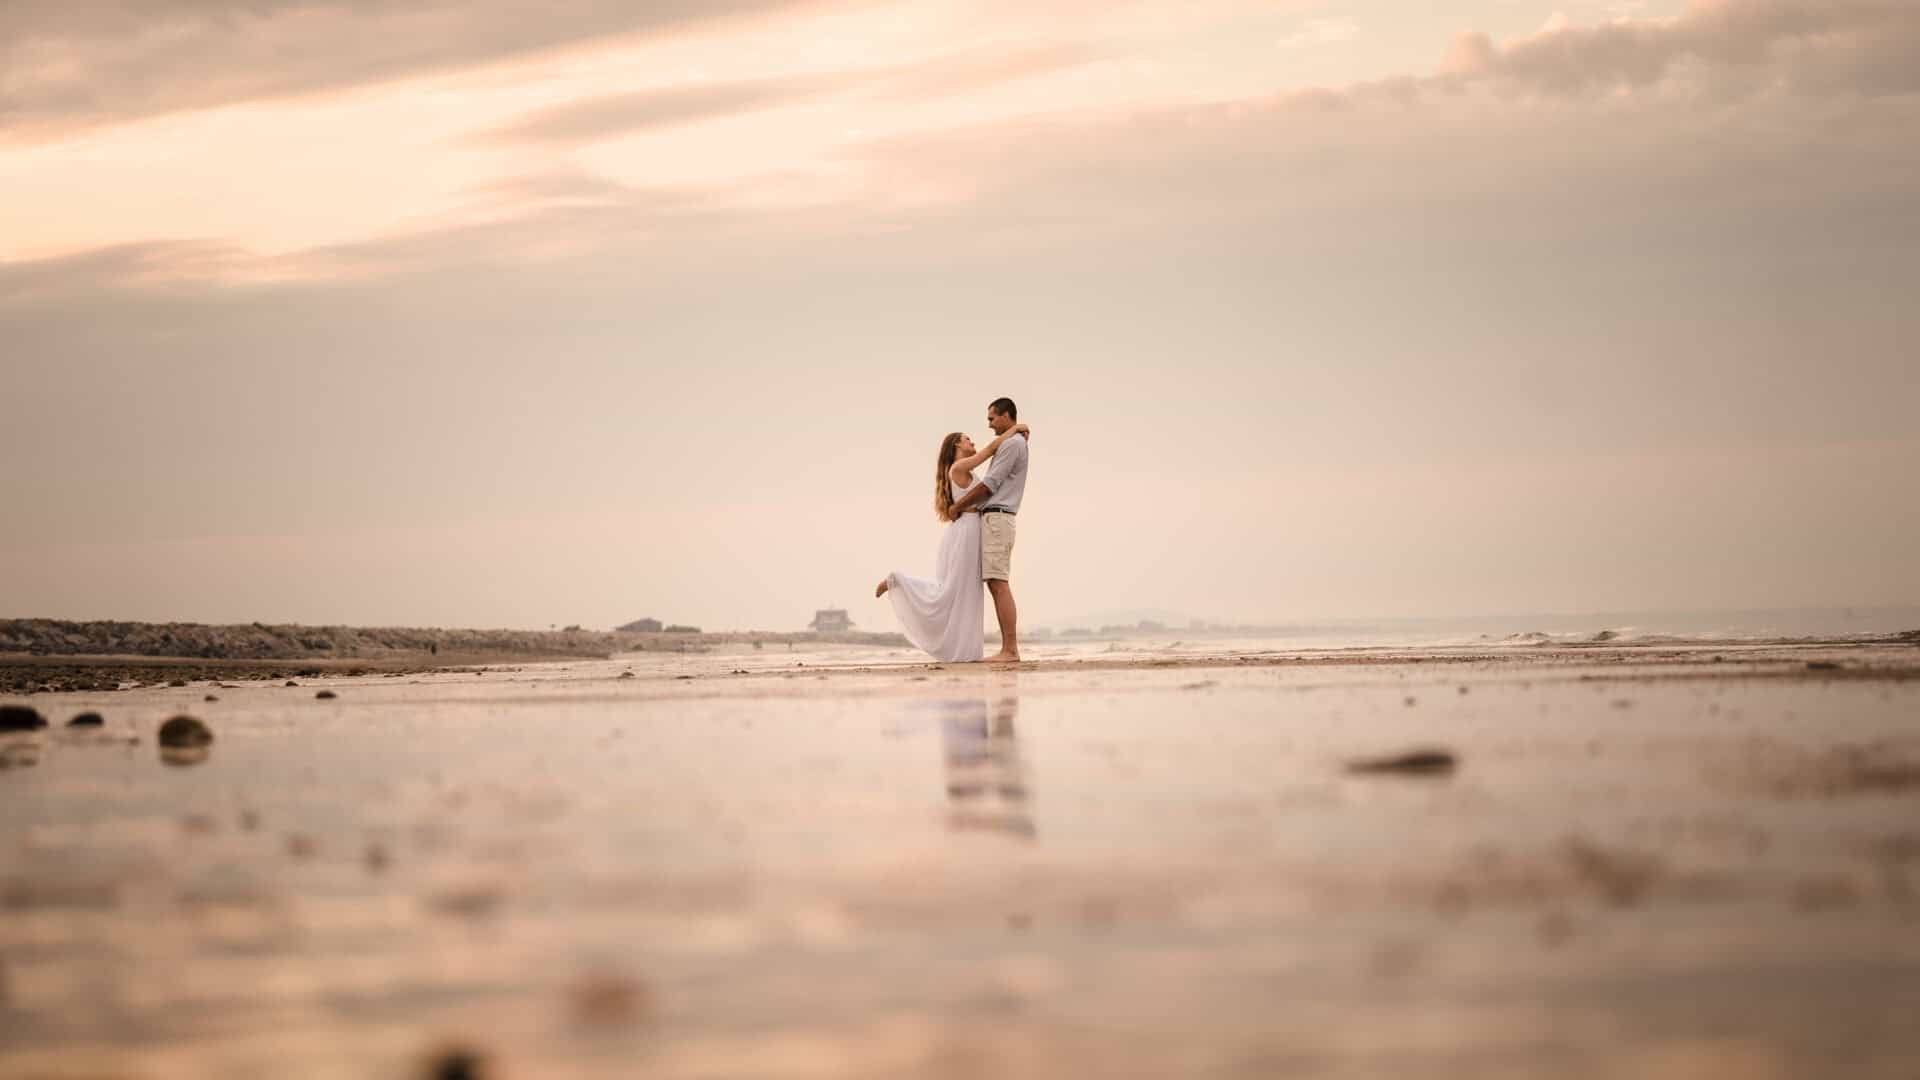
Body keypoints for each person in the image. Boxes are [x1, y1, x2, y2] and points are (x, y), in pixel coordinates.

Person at [876, 417, 1029, 662]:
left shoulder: (964, 470)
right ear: (957, 445)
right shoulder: (958, 469)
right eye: (968, 439)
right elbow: (990, 450)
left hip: (969, 530)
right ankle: (897, 581)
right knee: (953, 591)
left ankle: (964, 651)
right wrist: (1015, 428)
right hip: (966, 533)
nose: (973, 441)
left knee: (964, 591)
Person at [947, 397, 1028, 663]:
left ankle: (1010, 650)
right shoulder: (1012, 441)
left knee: (998, 583)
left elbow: (989, 485)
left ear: (1006, 416)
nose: (989, 424)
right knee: (996, 583)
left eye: (992, 418)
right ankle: (1008, 649)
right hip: (996, 518)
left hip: (998, 517)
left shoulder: (1012, 445)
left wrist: (957, 505)